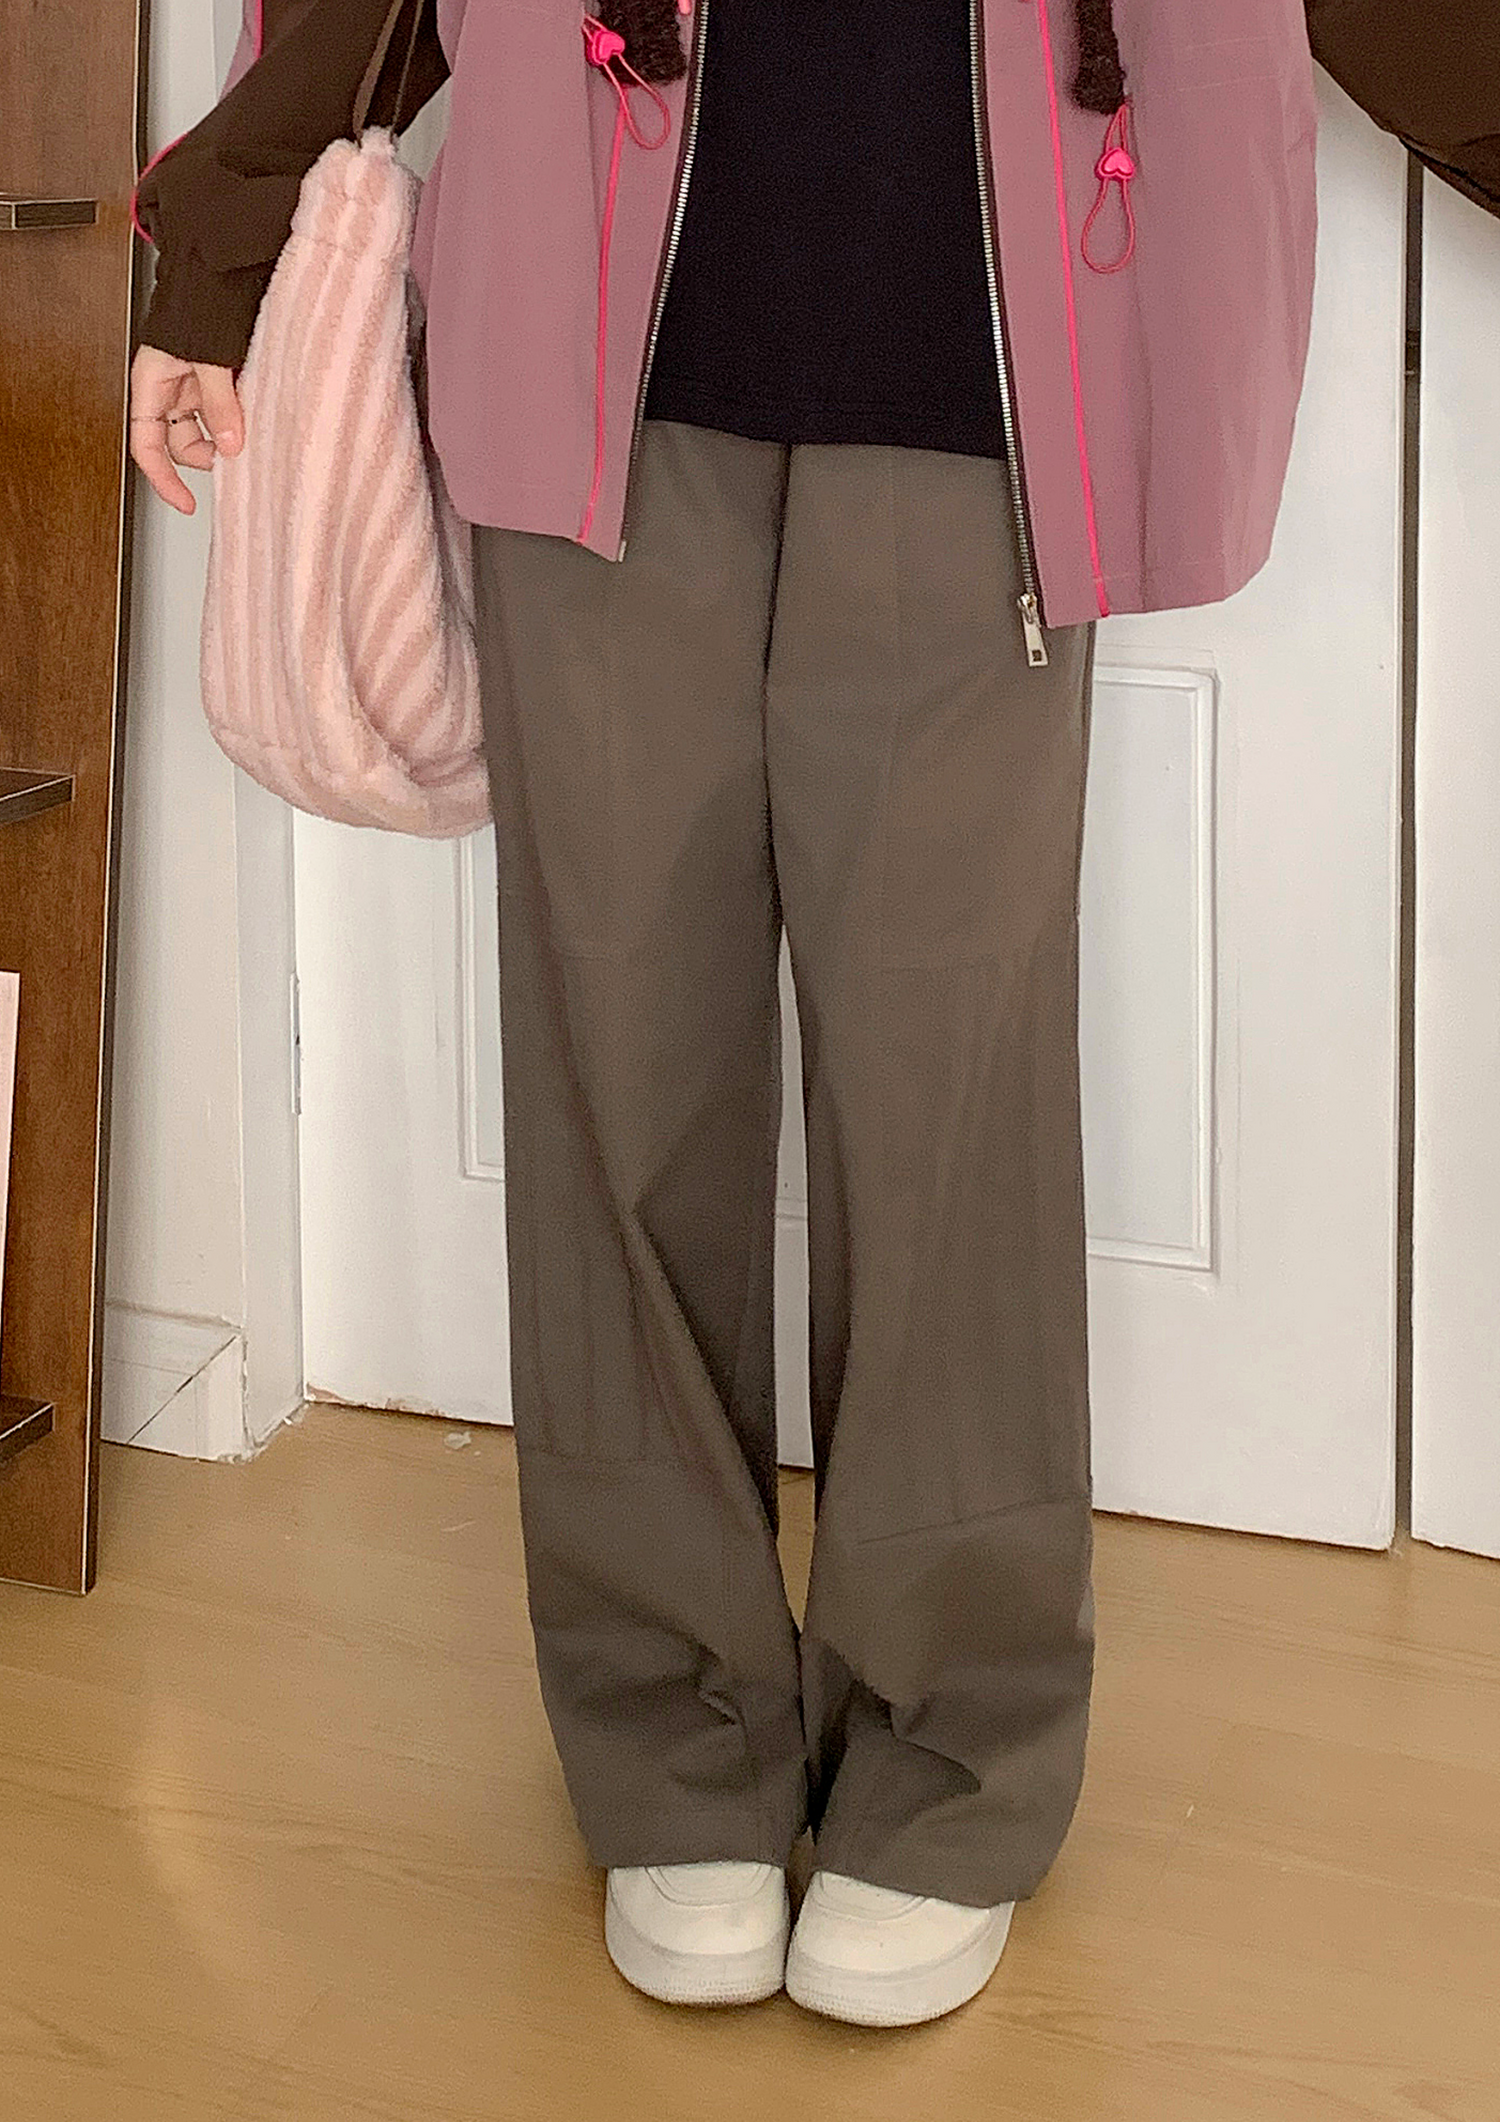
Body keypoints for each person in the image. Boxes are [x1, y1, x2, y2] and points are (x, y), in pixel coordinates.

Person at [128, 0, 1318, 2029]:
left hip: (988, 358)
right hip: (593, 338)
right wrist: (224, 247)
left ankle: (949, 1756)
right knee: (621, 1064)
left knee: (947, 1102)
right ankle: (668, 1734)